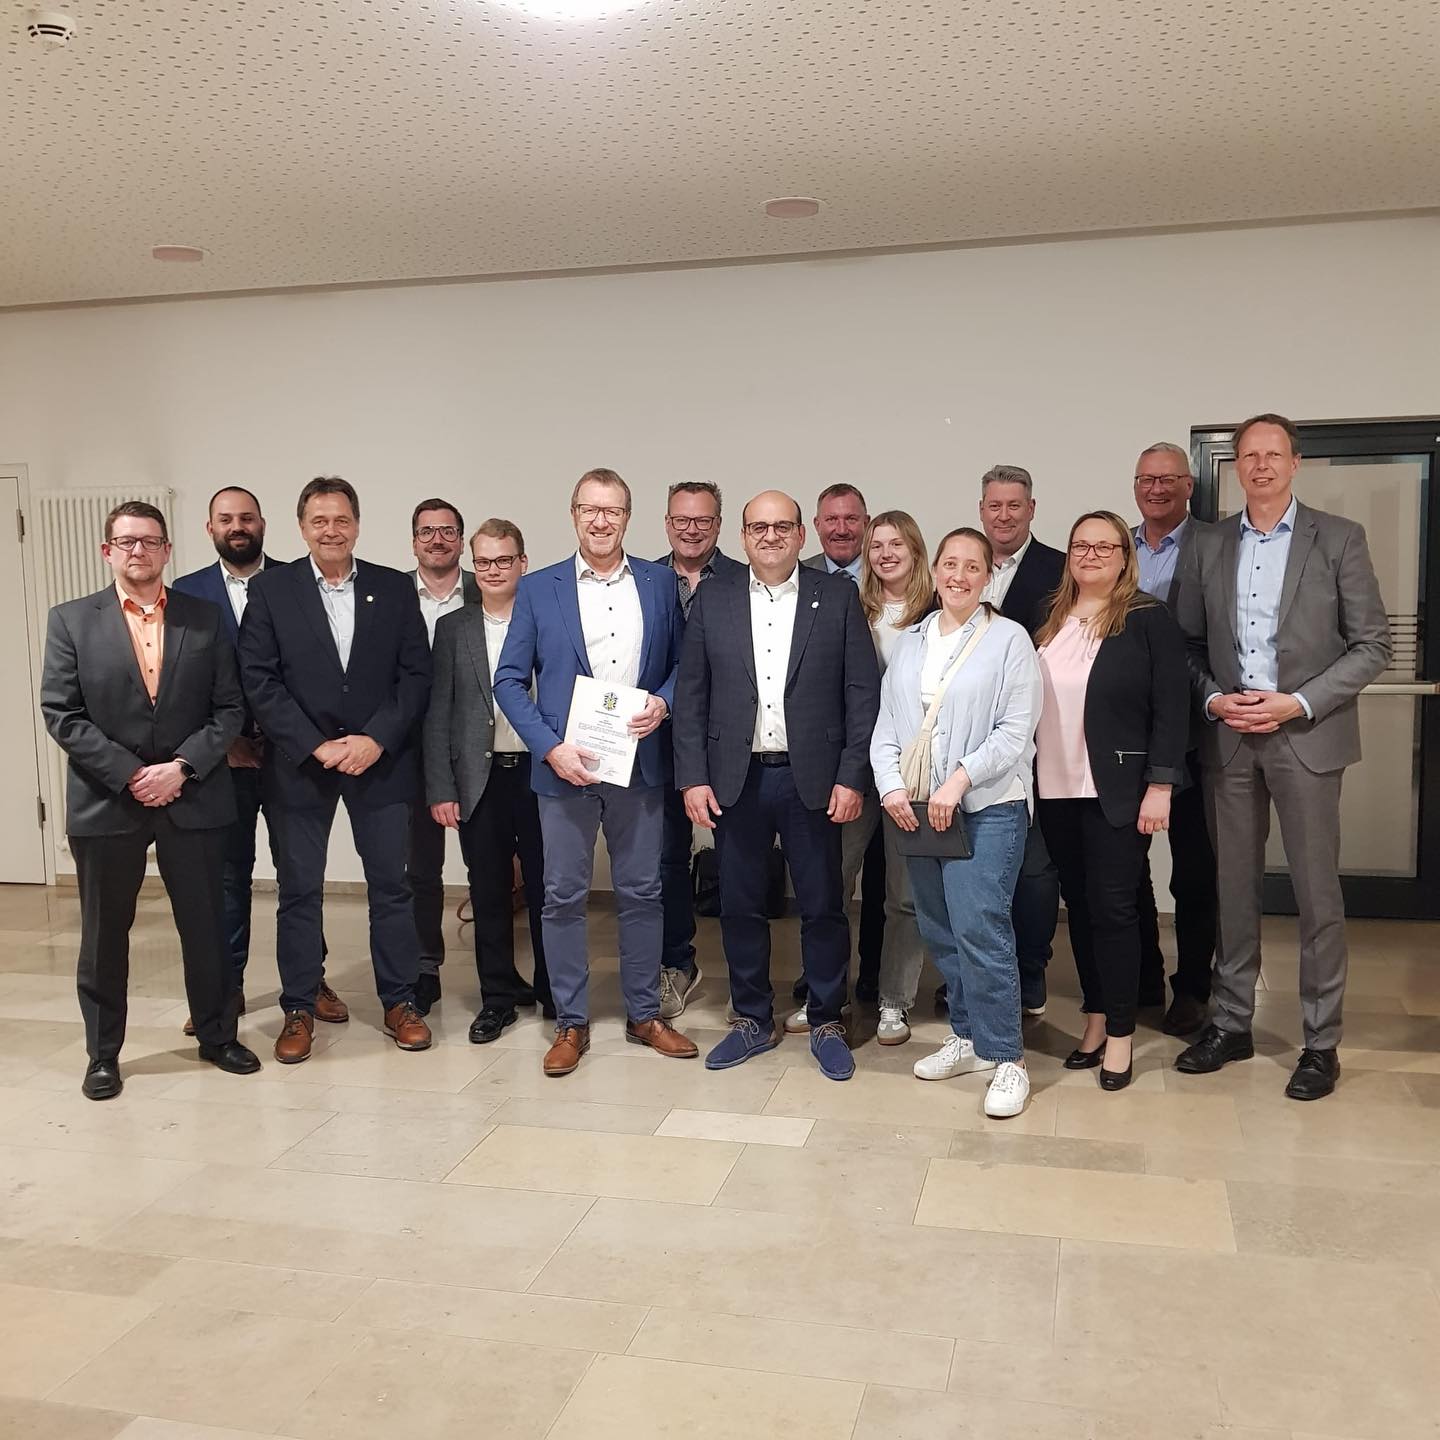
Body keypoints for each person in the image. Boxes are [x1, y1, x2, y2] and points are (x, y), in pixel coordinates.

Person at [1174, 413, 1390, 1101]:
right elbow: (1184, 646)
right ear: (1236, 466)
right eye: (1249, 455)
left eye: (1273, 454)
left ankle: (1321, 1043)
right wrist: (1214, 700)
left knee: (1316, 894)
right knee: (1232, 889)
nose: (1261, 465)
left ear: (1296, 463)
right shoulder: (1208, 544)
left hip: (1306, 737)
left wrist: (1297, 703)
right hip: (1231, 738)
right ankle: (1231, 1023)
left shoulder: (1339, 538)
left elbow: (1373, 645)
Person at [40, 501, 261, 1099]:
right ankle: (103, 1054)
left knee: (207, 926)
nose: (138, 551)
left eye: (149, 541)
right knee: (104, 935)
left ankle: (217, 1036)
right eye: (126, 541)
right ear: (107, 551)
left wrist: (182, 768)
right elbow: (62, 712)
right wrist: (134, 774)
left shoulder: (205, 618)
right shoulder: (71, 621)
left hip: (194, 795)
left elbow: (229, 709)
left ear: (167, 550)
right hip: (107, 801)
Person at [493, 467, 697, 1077]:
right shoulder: (539, 588)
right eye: (589, 509)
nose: (600, 520)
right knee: (560, 896)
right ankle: (570, 1021)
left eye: (612, 510)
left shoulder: (660, 584)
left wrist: (664, 701)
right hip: (565, 769)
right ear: (574, 515)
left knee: (643, 892)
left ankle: (644, 1015)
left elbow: (685, 662)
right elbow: (509, 680)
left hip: (640, 766)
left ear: (627, 518)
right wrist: (549, 748)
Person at [673, 489, 880, 1082]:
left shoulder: (835, 596)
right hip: (735, 779)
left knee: (823, 906)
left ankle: (827, 1019)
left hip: (811, 779)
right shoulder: (714, 597)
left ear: (800, 534)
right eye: (758, 527)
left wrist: (852, 775)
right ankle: (752, 1019)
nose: (770, 536)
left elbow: (861, 693)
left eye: (782, 526)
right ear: (742, 536)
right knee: (740, 905)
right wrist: (692, 777)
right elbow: (691, 695)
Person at [238, 476, 434, 1064]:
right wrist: (314, 746)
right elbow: (259, 679)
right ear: (302, 527)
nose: (331, 530)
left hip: (379, 761)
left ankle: (400, 1001)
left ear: (357, 524)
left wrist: (376, 739)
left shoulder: (393, 587)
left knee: (391, 887)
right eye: (319, 521)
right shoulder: (271, 590)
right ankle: (298, 1007)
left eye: (341, 519)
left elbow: (415, 675)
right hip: (302, 764)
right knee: (299, 891)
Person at [872, 526, 1041, 1117]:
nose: (960, 576)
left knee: (979, 928)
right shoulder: (912, 641)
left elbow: (1016, 731)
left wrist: (959, 780)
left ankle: (1008, 1057)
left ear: (988, 576)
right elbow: (888, 724)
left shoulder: (1010, 640)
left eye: (973, 566)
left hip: (988, 807)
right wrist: (891, 787)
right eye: (950, 564)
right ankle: (968, 1037)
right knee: (939, 927)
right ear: (935, 570)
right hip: (918, 809)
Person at [172, 486, 348, 1035]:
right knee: (229, 877)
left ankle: (310, 979)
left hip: (292, 757)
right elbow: (182, 684)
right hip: (224, 762)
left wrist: (296, 739)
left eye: (247, 518)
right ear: (210, 529)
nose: (238, 527)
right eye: (226, 519)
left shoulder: (298, 582)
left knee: (301, 874)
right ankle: (225, 989)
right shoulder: (188, 593)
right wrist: (224, 744)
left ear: (264, 524)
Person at [1033, 511, 1189, 1091]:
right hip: (1054, 788)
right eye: (1081, 545)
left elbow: (1171, 706)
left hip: (1116, 789)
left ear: (1126, 556)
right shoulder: (1051, 618)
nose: (1091, 554)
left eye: (1105, 546)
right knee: (1080, 909)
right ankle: (1095, 1018)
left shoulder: (1147, 618)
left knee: (1116, 911)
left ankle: (1121, 1034)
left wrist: (1161, 785)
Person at [425, 518, 552, 1042]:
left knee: (548, 890)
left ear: (523, 562)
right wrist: (441, 788)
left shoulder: (548, 617)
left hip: (543, 775)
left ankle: (555, 992)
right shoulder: (453, 628)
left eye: (504, 560)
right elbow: (439, 713)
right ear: (472, 565)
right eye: (484, 561)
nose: (494, 570)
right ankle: (497, 998)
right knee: (490, 892)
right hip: (480, 778)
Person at [967, 464, 1067, 1017]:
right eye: (994, 505)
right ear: (981, 509)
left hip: (1040, 739)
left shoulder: (1060, 569)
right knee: (979, 868)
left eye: (1014, 505)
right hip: (969, 745)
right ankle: (979, 975)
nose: (1003, 515)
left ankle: (1029, 971)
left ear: (1031, 509)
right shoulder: (965, 567)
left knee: (1033, 869)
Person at [1130, 444, 1217, 1037]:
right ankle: (1143, 975)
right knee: (1125, 865)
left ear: (1189, 484)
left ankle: (1192, 990)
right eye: (1146, 479)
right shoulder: (1117, 547)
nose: (1156, 488)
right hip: (1127, 733)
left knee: (1193, 870)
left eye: (1168, 479)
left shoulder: (1216, 545)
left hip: (1196, 730)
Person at [655, 480, 745, 1019]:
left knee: (739, 865)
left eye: (703, 520)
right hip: (659, 745)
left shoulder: (744, 579)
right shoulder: (643, 581)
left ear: (719, 524)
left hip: (733, 745)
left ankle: (747, 982)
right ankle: (677, 963)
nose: (691, 529)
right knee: (666, 858)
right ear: (667, 523)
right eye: (681, 520)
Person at [797, 481, 885, 1012]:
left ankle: (876, 977)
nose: (841, 528)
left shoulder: (889, 573)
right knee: (830, 877)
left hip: (893, 757)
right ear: (815, 526)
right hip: (828, 759)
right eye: (831, 519)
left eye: (852, 519)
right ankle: (824, 979)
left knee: (887, 883)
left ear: (866, 523)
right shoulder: (799, 577)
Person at [855, 510, 934, 1045]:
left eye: (896, 544)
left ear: (915, 550)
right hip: (855, 767)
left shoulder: (938, 612)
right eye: (876, 545)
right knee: (834, 884)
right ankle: (824, 994)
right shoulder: (850, 607)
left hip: (911, 771)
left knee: (904, 896)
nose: (885, 554)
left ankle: (894, 1002)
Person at [406, 498, 480, 1015]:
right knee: (420, 867)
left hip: (478, 745)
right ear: (413, 541)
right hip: (410, 748)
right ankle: (423, 965)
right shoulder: (392, 595)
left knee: (487, 867)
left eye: (448, 531)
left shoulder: (488, 587)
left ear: (462, 538)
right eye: (427, 531)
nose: (438, 539)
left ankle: (497, 974)